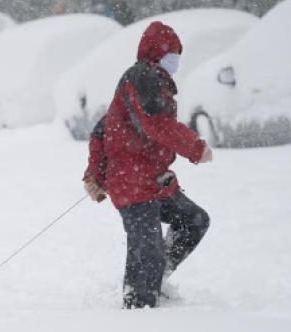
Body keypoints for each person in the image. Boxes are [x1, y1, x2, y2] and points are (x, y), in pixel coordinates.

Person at [82, 21, 212, 309]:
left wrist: (94, 174)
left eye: (178, 54)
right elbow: (157, 125)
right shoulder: (142, 77)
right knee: (147, 254)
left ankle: (156, 280)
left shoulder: (153, 82)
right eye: (172, 53)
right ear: (157, 53)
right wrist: (195, 148)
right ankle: (137, 308)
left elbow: (103, 131)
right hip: (134, 186)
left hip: (154, 182)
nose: (176, 60)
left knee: (194, 221)